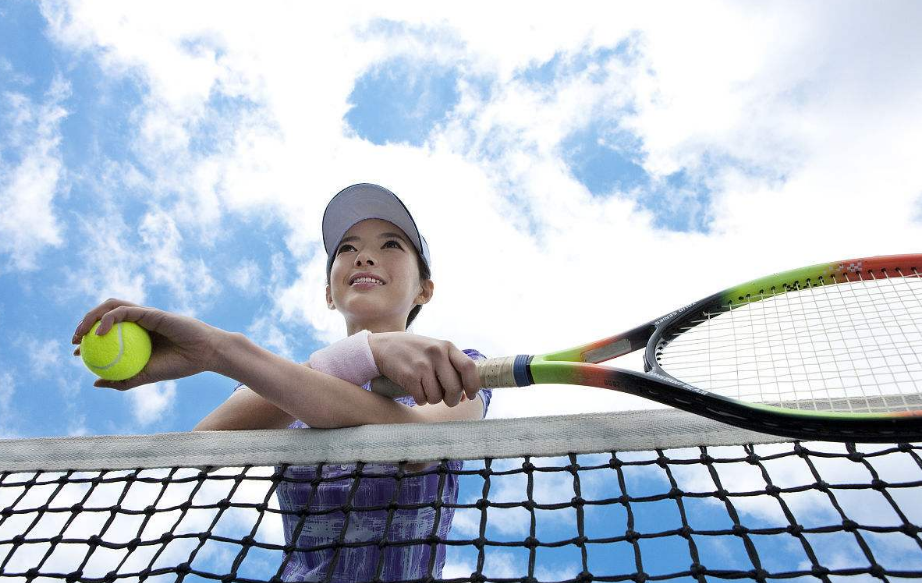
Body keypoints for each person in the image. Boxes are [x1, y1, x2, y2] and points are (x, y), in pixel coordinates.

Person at [71, 183, 491, 581]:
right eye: (347, 249)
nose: (363, 257)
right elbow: (196, 451)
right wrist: (367, 352)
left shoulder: (464, 365)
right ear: (329, 293)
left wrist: (224, 350)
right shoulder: (277, 383)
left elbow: (418, 443)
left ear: (424, 290)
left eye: (390, 245)